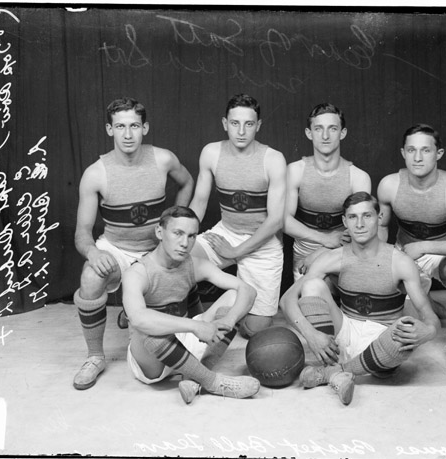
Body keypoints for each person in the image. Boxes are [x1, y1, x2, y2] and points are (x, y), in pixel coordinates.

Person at [73, 97, 195, 390]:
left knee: (167, 330)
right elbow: (82, 233)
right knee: (90, 277)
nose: (128, 135)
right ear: (109, 129)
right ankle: (95, 357)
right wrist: (93, 252)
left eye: (134, 126)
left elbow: (187, 182)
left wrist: (175, 224)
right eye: (120, 127)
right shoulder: (96, 173)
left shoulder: (163, 159)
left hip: (155, 251)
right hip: (118, 249)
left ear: (145, 128)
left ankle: (132, 309)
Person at [279, 192, 440, 405]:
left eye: (367, 216)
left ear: (379, 218)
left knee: (405, 330)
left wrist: (427, 331)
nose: (360, 224)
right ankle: (336, 366)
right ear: (345, 221)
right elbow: (287, 300)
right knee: (312, 285)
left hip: (382, 341)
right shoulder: (332, 258)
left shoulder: (400, 262)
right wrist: (311, 335)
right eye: (353, 217)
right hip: (344, 333)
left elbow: (430, 317)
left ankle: (333, 372)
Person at [122, 206, 260, 404]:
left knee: (234, 297)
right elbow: (138, 319)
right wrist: (196, 326)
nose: (185, 243)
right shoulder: (137, 272)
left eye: (192, 236)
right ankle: (212, 382)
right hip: (151, 359)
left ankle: (195, 376)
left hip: (184, 342)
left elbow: (247, 290)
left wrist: (229, 320)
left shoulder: (194, 264)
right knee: (148, 329)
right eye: (178, 233)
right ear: (159, 232)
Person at [376, 123, 446, 373]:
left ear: (438, 154)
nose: (418, 157)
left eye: (425, 150)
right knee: (396, 329)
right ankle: (425, 300)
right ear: (403, 153)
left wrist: (424, 246)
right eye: (411, 150)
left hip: (440, 254)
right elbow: (381, 228)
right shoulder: (389, 185)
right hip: (404, 253)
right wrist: (381, 260)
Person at [189, 94, 286, 338]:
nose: (241, 131)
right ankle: (195, 314)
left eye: (248, 124)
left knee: (253, 330)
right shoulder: (211, 153)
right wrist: (180, 238)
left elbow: (275, 220)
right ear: (225, 123)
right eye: (235, 123)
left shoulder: (273, 159)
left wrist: (236, 251)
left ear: (258, 125)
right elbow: (199, 202)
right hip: (226, 232)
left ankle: (233, 304)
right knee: (180, 257)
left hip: (262, 242)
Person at [285, 103, 371, 280]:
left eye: (332, 129)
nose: (325, 136)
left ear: (342, 133)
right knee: (309, 294)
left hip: (343, 250)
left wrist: (318, 255)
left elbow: (361, 227)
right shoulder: (295, 171)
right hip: (304, 253)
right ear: (309, 133)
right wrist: (323, 239)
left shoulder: (358, 177)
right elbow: (283, 221)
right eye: (318, 129)